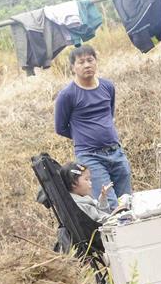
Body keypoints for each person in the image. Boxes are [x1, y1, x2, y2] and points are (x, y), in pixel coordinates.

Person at [54, 45, 132, 209]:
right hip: (90, 156)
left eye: (90, 60)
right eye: (81, 62)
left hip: (115, 151)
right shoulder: (67, 95)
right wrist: (84, 136)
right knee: (109, 204)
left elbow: (109, 114)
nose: (87, 65)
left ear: (96, 62)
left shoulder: (107, 86)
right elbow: (60, 127)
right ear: (73, 67)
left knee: (126, 200)